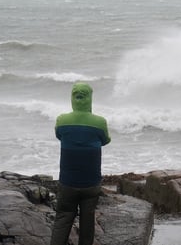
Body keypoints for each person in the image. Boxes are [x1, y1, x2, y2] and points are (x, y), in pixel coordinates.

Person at [50, 82, 111, 245]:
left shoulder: (62, 120)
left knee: (62, 219)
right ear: (90, 98)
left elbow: (59, 135)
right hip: (91, 183)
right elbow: (106, 140)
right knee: (87, 222)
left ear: (73, 98)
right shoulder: (100, 122)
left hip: (67, 182)